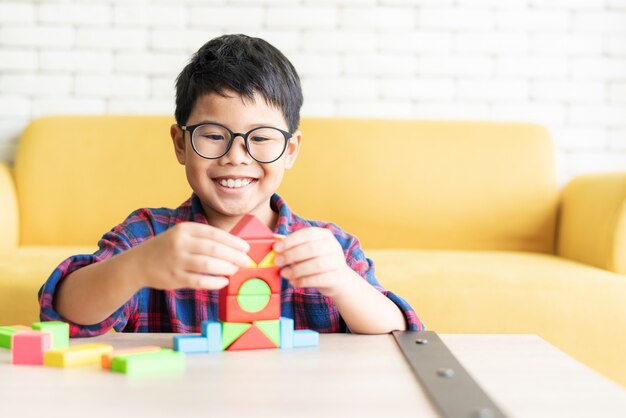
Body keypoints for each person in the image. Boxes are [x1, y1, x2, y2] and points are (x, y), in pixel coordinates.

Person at [39, 34, 424, 336]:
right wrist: (138, 267)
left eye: (260, 138)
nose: (236, 156)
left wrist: (341, 281)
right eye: (212, 135)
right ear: (180, 143)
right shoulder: (147, 236)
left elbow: (399, 332)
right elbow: (63, 315)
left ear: (291, 150)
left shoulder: (329, 247)